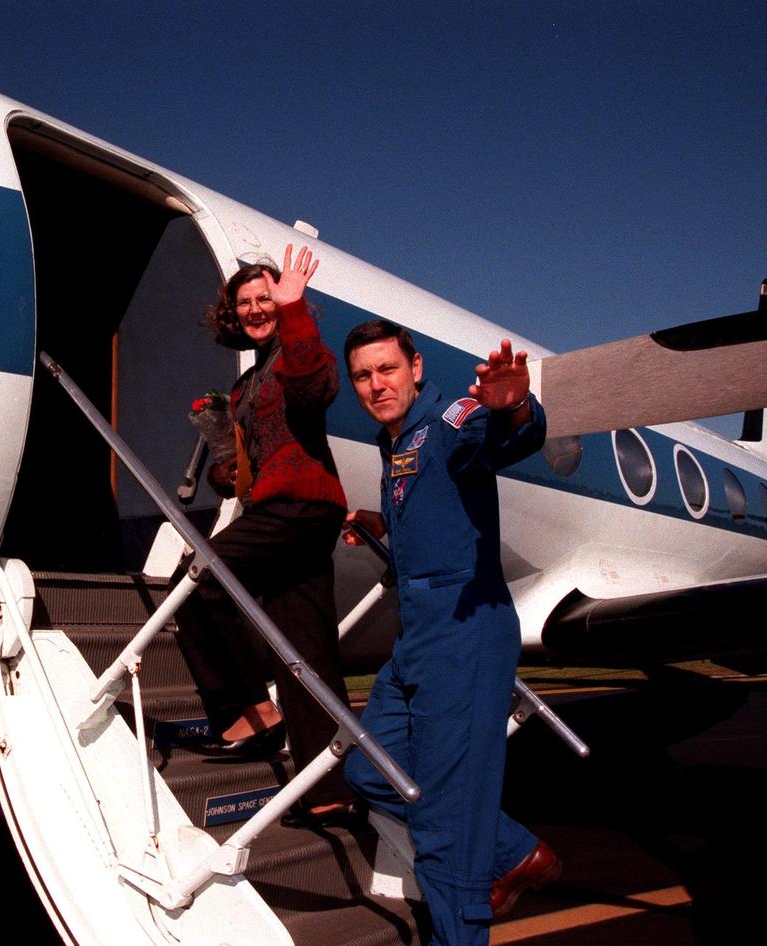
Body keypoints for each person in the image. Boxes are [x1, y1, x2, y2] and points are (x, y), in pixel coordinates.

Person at [340, 320, 560, 945]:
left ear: (415, 368)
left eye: (388, 369)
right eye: (363, 375)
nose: (376, 384)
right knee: (369, 770)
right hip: (417, 640)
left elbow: (495, 440)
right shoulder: (396, 441)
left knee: (444, 831)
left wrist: (516, 407)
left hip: (465, 635)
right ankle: (513, 850)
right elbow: (435, 496)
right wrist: (383, 522)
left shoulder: (449, 418)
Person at [174, 244, 355, 821]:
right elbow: (251, 465)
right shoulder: (246, 385)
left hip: (299, 507)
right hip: (278, 509)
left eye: (264, 298)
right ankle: (329, 789)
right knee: (305, 650)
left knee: (197, 580)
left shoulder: (297, 352)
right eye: (245, 302)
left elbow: (313, 388)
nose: (255, 308)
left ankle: (247, 715)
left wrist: (294, 307)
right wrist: (226, 473)